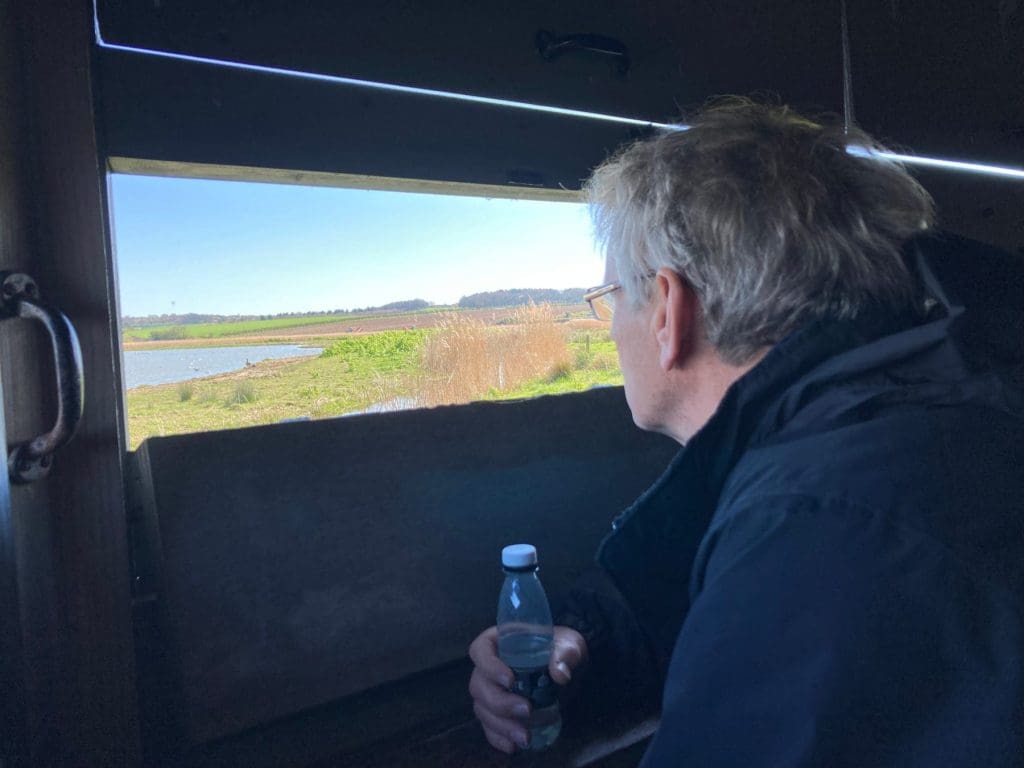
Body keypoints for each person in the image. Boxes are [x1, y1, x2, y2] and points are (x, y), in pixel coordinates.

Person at [468, 98, 1024, 766]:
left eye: (609, 299)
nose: (612, 327)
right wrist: (586, 641)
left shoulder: (821, 525)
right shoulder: (891, 420)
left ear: (669, 311)